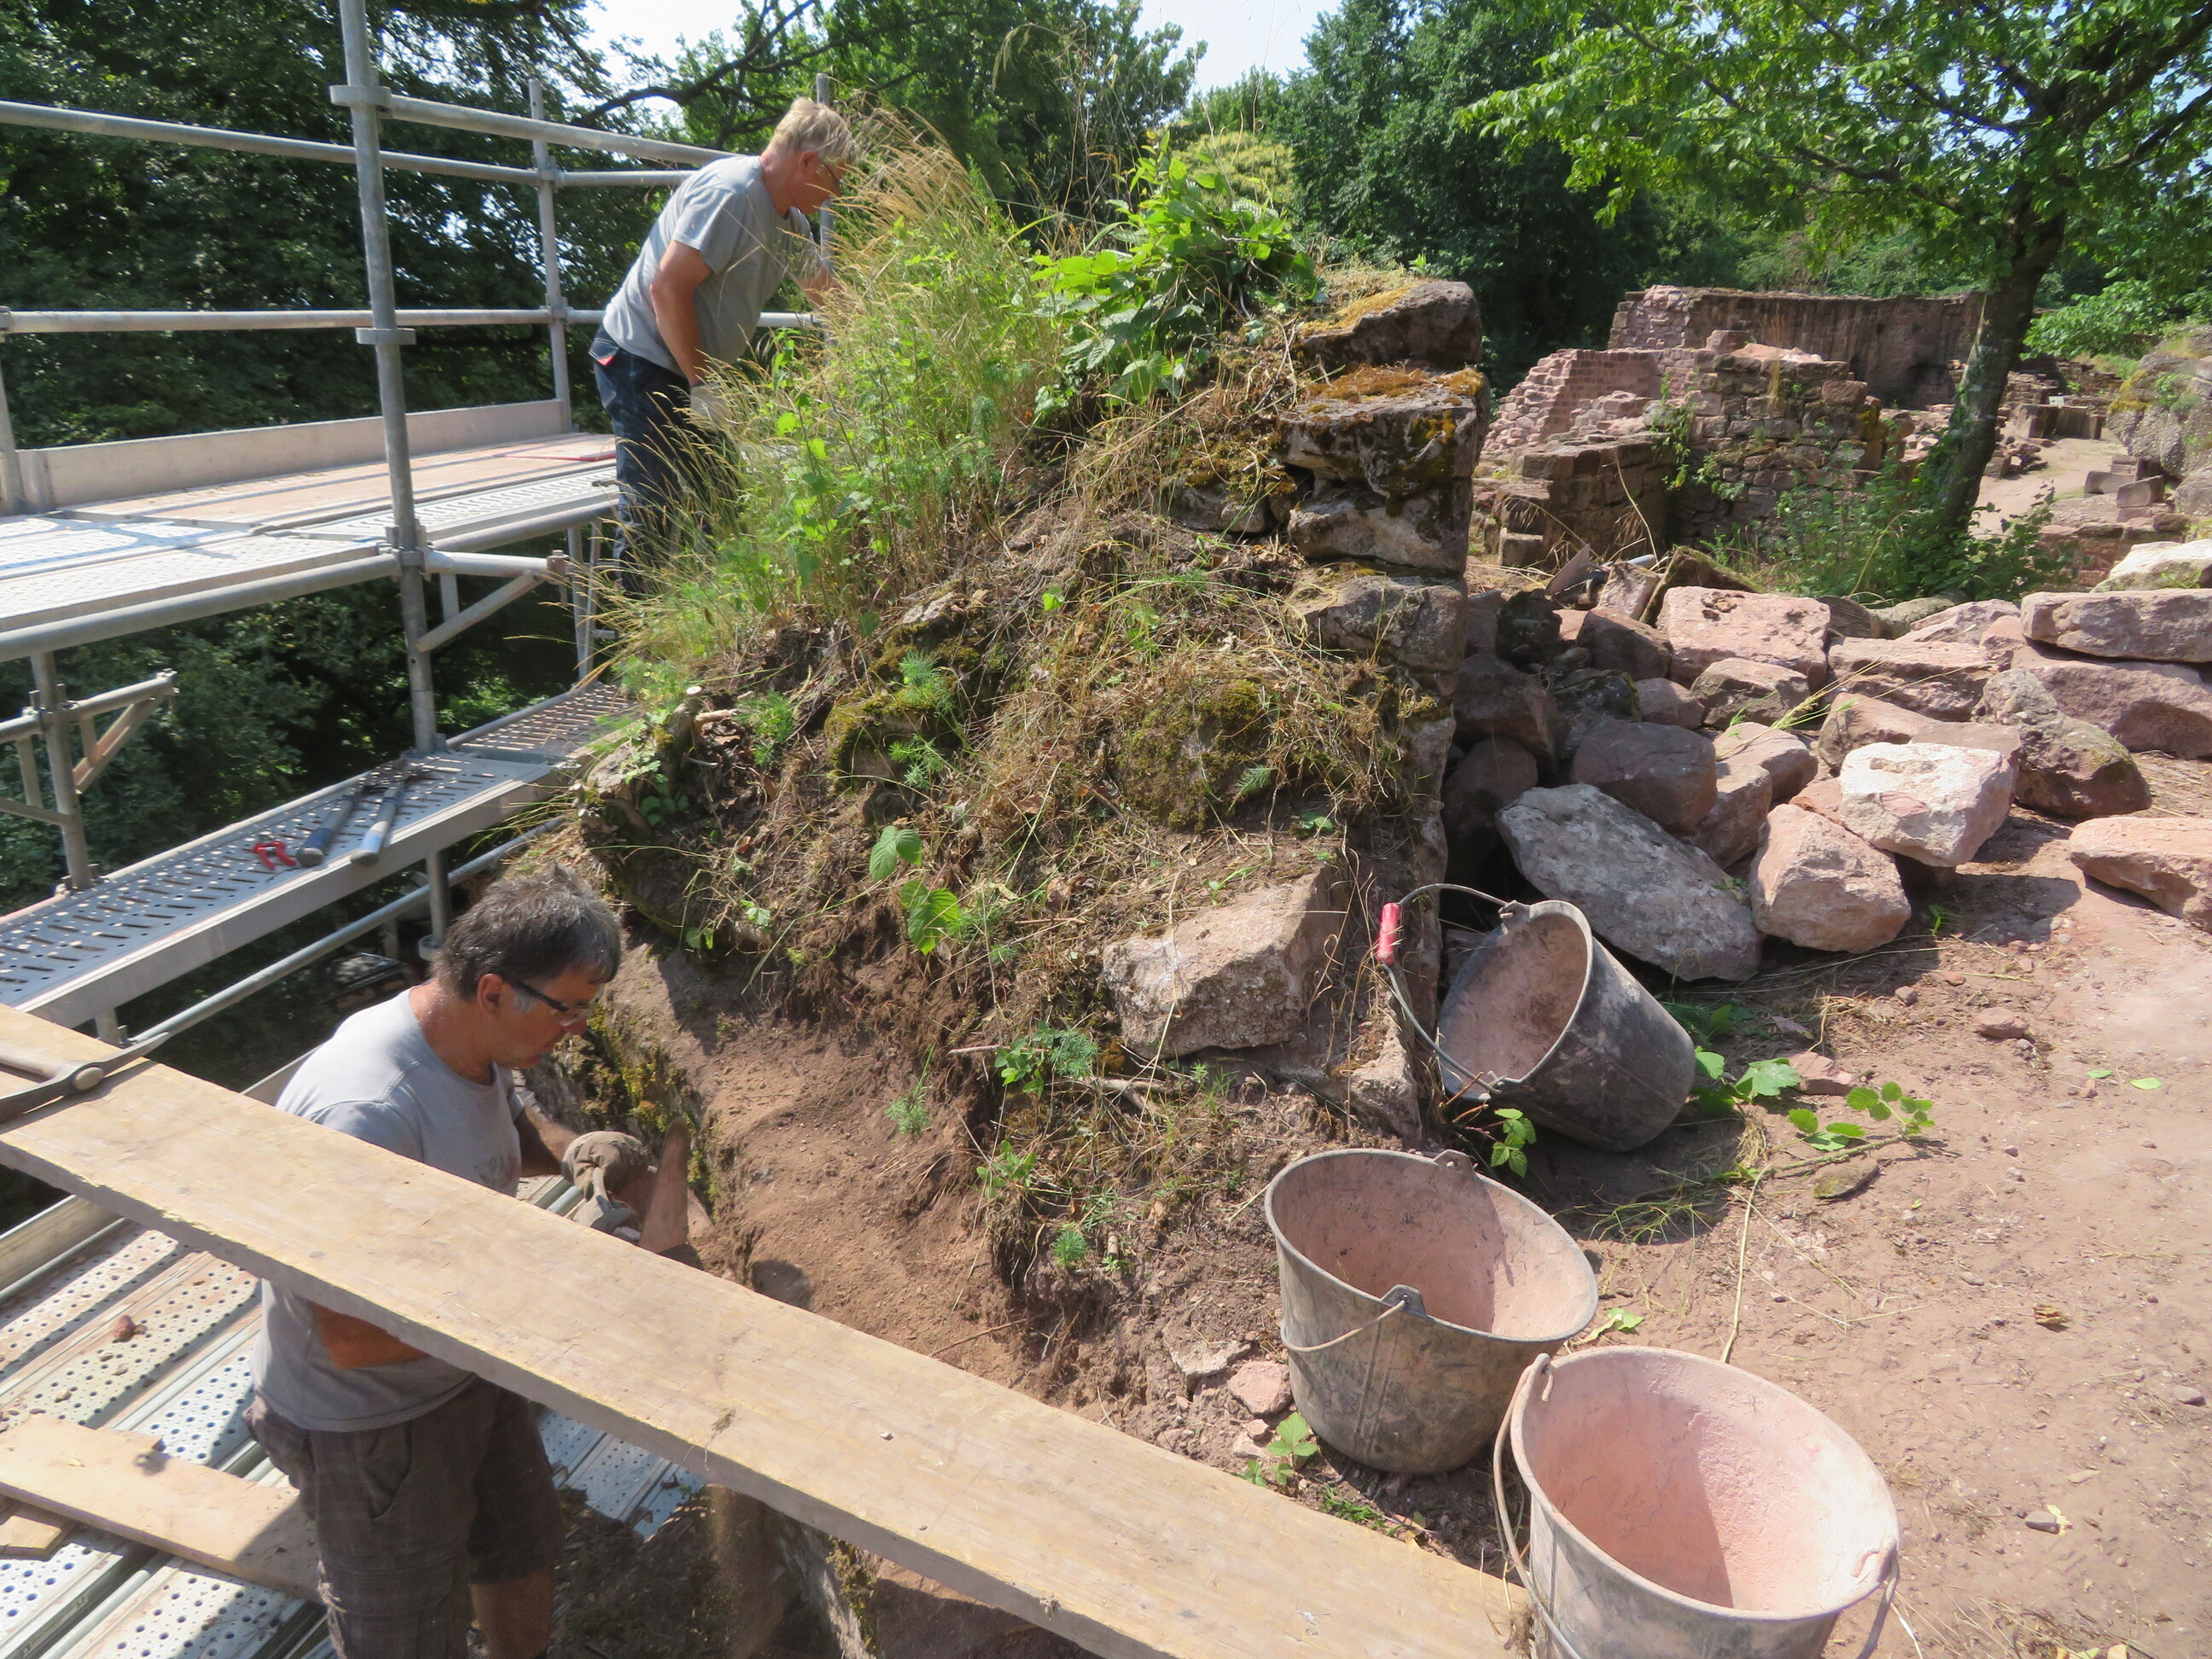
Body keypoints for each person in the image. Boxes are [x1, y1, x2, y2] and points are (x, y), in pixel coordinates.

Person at [247, 868, 625, 1659]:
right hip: (372, 1423)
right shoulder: (366, 1111)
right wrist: (559, 1298)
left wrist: (576, 1154)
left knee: (518, 1545)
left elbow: (504, 1127)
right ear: (493, 990)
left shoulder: (470, 1040)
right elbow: (354, 1338)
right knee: (405, 1626)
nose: (577, 1028)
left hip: (465, 1366)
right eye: (569, 1008)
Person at [591, 96, 853, 569]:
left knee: (723, 502)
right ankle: (627, 620)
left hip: (689, 372)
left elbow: (824, 291)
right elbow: (667, 288)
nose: (835, 193)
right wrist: (703, 385)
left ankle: (721, 608)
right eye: (836, 179)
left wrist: (880, 330)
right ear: (808, 162)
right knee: (652, 510)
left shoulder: (788, 221)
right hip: (640, 358)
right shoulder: (731, 195)